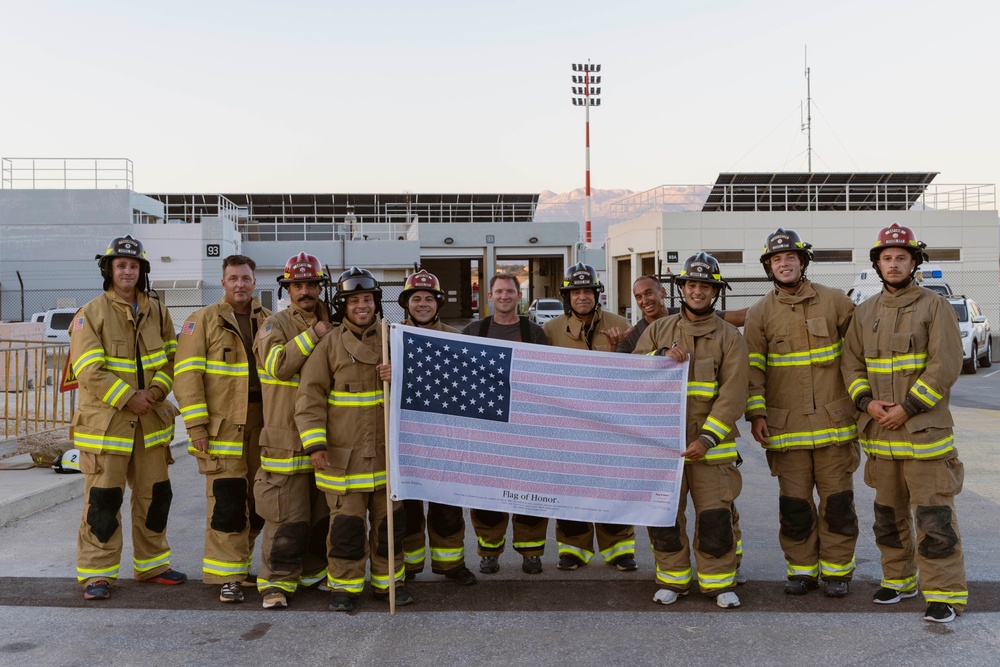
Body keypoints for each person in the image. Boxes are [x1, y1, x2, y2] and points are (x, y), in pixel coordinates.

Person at [842, 225, 967, 623]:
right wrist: (866, 402)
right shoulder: (865, 312)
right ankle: (898, 580)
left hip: (924, 436)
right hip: (880, 437)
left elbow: (945, 365)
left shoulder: (935, 307)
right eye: (886, 258)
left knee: (934, 519)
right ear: (877, 264)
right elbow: (851, 364)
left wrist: (908, 407)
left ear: (914, 262)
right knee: (887, 517)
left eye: (901, 257)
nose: (893, 264)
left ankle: (944, 594)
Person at [743, 229, 860, 598]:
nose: (784, 263)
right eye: (776, 259)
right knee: (795, 507)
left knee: (838, 504)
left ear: (803, 261)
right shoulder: (760, 313)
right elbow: (753, 371)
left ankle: (838, 572)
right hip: (787, 429)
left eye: (790, 257)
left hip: (835, 425)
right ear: (769, 267)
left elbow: (859, 355)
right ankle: (802, 571)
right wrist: (757, 414)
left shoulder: (836, 301)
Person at [70, 235, 186, 600]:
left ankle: (152, 565)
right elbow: (88, 369)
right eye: (120, 265)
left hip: (150, 421)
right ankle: (97, 575)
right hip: (108, 426)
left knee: (155, 497)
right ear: (109, 270)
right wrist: (128, 397)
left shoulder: (159, 311)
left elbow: (173, 360)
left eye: (133, 266)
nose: (127, 271)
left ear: (142, 271)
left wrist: (152, 394)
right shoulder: (89, 314)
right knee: (103, 502)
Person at [634, 252, 748, 609]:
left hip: (711, 449)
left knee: (715, 517)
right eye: (692, 284)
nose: (698, 292)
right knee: (665, 517)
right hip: (664, 447)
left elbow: (733, 396)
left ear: (715, 292)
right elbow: (632, 374)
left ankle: (718, 583)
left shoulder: (731, 338)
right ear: (682, 288)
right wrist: (660, 356)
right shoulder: (657, 331)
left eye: (705, 286)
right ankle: (673, 580)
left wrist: (706, 439)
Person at [294, 267, 410, 612]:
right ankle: (344, 587)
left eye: (368, 299)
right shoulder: (328, 345)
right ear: (342, 305)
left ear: (377, 303)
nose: (362, 306)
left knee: (390, 527)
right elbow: (309, 398)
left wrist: (399, 375)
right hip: (343, 461)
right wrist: (315, 445)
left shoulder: (395, 340)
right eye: (355, 300)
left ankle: (391, 584)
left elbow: (423, 393)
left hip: (387, 456)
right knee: (346, 528)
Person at [175, 254, 271, 604]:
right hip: (222, 430)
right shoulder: (201, 321)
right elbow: (186, 377)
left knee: (260, 501)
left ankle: (240, 564)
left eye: (245, 278)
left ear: (254, 281)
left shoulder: (268, 321)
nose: (240, 285)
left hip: (263, 426)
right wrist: (196, 426)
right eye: (233, 279)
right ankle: (227, 576)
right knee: (228, 502)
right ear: (223, 282)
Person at [251, 253, 334, 609]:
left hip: (328, 438)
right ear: (287, 289)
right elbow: (278, 365)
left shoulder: (335, 321)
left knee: (323, 515)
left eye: (311, 285)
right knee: (286, 516)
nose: (305, 291)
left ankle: (314, 575)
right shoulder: (274, 325)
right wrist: (314, 335)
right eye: (298, 285)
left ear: (319, 287)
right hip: (286, 441)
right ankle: (276, 584)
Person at [542, 263, 637, 572]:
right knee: (571, 488)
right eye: (575, 292)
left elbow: (634, 375)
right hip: (569, 426)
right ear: (566, 296)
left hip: (611, 425)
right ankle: (573, 549)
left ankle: (619, 549)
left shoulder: (622, 324)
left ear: (598, 294)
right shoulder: (550, 330)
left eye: (587, 291)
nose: (582, 297)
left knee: (612, 487)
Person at [460, 273, 549, 575]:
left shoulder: (533, 331)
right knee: (487, 495)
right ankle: (488, 552)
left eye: (510, 291)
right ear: (489, 296)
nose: (504, 296)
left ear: (519, 295)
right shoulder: (475, 330)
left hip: (525, 427)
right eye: (499, 291)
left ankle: (531, 553)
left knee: (528, 493)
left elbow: (546, 377)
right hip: (487, 428)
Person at [398, 270, 477, 586]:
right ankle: (410, 567)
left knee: (447, 507)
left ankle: (451, 565)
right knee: (409, 509)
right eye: (416, 298)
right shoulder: (391, 336)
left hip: (445, 437)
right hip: (406, 437)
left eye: (429, 298)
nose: (422, 304)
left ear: (438, 303)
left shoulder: (456, 340)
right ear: (406, 303)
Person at [617, 276, 747, 355]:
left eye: (649, 293)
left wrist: (766, 310)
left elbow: (740, 316)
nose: (645, 301)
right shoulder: (632, 336)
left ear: (663, 292)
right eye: (638, 297)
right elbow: (623, 372)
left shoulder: (689, 315)